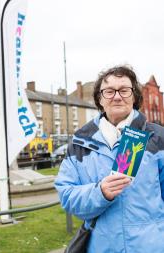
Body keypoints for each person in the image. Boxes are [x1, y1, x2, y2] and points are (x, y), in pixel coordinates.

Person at [54, 65, 164, 253]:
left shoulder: (158, 137)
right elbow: (67, 195)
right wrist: (100, 192)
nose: (117, 96)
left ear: (135, 97)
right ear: (99, 98)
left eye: (124, 90)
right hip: (101, 247)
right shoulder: (80, 142)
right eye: (109, 91)